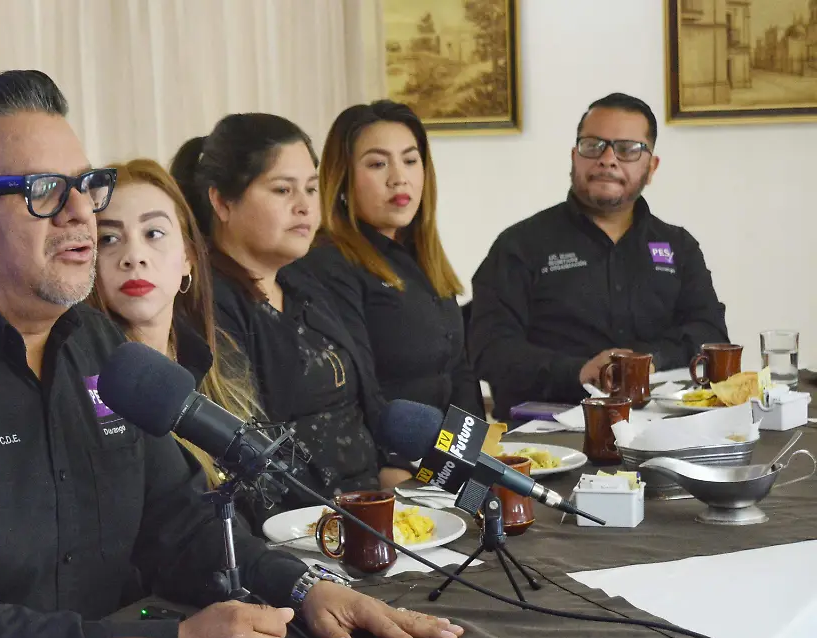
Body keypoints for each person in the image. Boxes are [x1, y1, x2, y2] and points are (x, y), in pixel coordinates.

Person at [0, 71, 462, 638]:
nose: (82, 213)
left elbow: (178, 521)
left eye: (86, 185)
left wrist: (303, 588)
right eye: (42, 190)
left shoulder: (90, 340)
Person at [171, 114, 413, 522]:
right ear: (222, 202)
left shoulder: (306, 281)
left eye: (311, 188)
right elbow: (250, 459)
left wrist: (403, 486)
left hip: (369, 511)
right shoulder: (205, 303)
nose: (304, 206)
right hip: (295, 531)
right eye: (283, 189)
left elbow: (367, 406)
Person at [469, 92, 728, 419]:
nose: (607, 159)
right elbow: (489, 349)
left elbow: (711, 336)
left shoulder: (679, 247)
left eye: (628, 149)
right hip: (548, 431)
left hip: (662, 426)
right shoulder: (520, 246)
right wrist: (579, 372)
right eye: (593, 145)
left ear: (651, 167)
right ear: (574, 157)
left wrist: (648, 361)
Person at [300, 100, 483, 422]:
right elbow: (361, 394)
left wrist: (474, 446)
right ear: (343, 179)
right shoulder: (328, 264)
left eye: (410, 160)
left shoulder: (421, 254)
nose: (399, 178)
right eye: (377, 164)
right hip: (392, 449)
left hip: (450, 446)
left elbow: (458, 370)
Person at [89, 157, 263, 490]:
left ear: (188, 257)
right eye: (108, 239)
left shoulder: (218, 355)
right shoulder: (87, 377)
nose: (134, 256)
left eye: (153, 233)